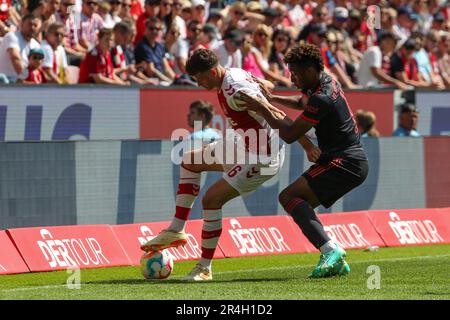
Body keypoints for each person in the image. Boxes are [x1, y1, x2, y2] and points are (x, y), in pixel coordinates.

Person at [140, 48, 286, 281]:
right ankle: (177, 228)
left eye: (199, 78)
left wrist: (305, 143)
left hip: (263, 156)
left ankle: (205, 267)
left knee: (211, 200)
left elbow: (271, 110)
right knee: (190, 161)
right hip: (244, 143)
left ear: (211, 71)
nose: (199, 84)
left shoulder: (234, 88)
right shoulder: (235, 74)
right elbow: (269, 85)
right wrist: (261, 85)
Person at [238, 43, 369, 278]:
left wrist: (262, 107)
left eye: (295, 73)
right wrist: (272, 97)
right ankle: (332, 254)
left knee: (288, 196)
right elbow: (301, 103)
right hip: (347, 160)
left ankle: (330, 250)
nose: (291, 78)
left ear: (309, 71)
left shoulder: (322, 97)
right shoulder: (325, 82)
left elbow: (289, 135)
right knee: (295, 200)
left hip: (345, 162)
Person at [0, 14, 41, 83]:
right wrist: (25, 81)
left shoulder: (36, 45)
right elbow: (15, 59)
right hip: (6, 81)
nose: (32, 27)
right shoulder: (12, 37)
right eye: (30, 24)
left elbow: (37, 67)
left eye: (35, 25)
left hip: (23, 83)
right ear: (21, 24)